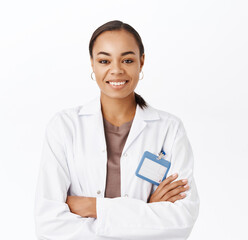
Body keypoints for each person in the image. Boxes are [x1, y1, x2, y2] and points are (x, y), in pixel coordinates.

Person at [34, 20, 200, 240]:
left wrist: (93, 207)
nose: (116, 70)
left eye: (128, 60)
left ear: (141, 62)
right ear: (92, 64)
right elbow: (48, 225)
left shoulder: (169, 129)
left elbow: (181, 220)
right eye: (104, 60)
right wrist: (146, 211)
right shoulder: (64, 127)